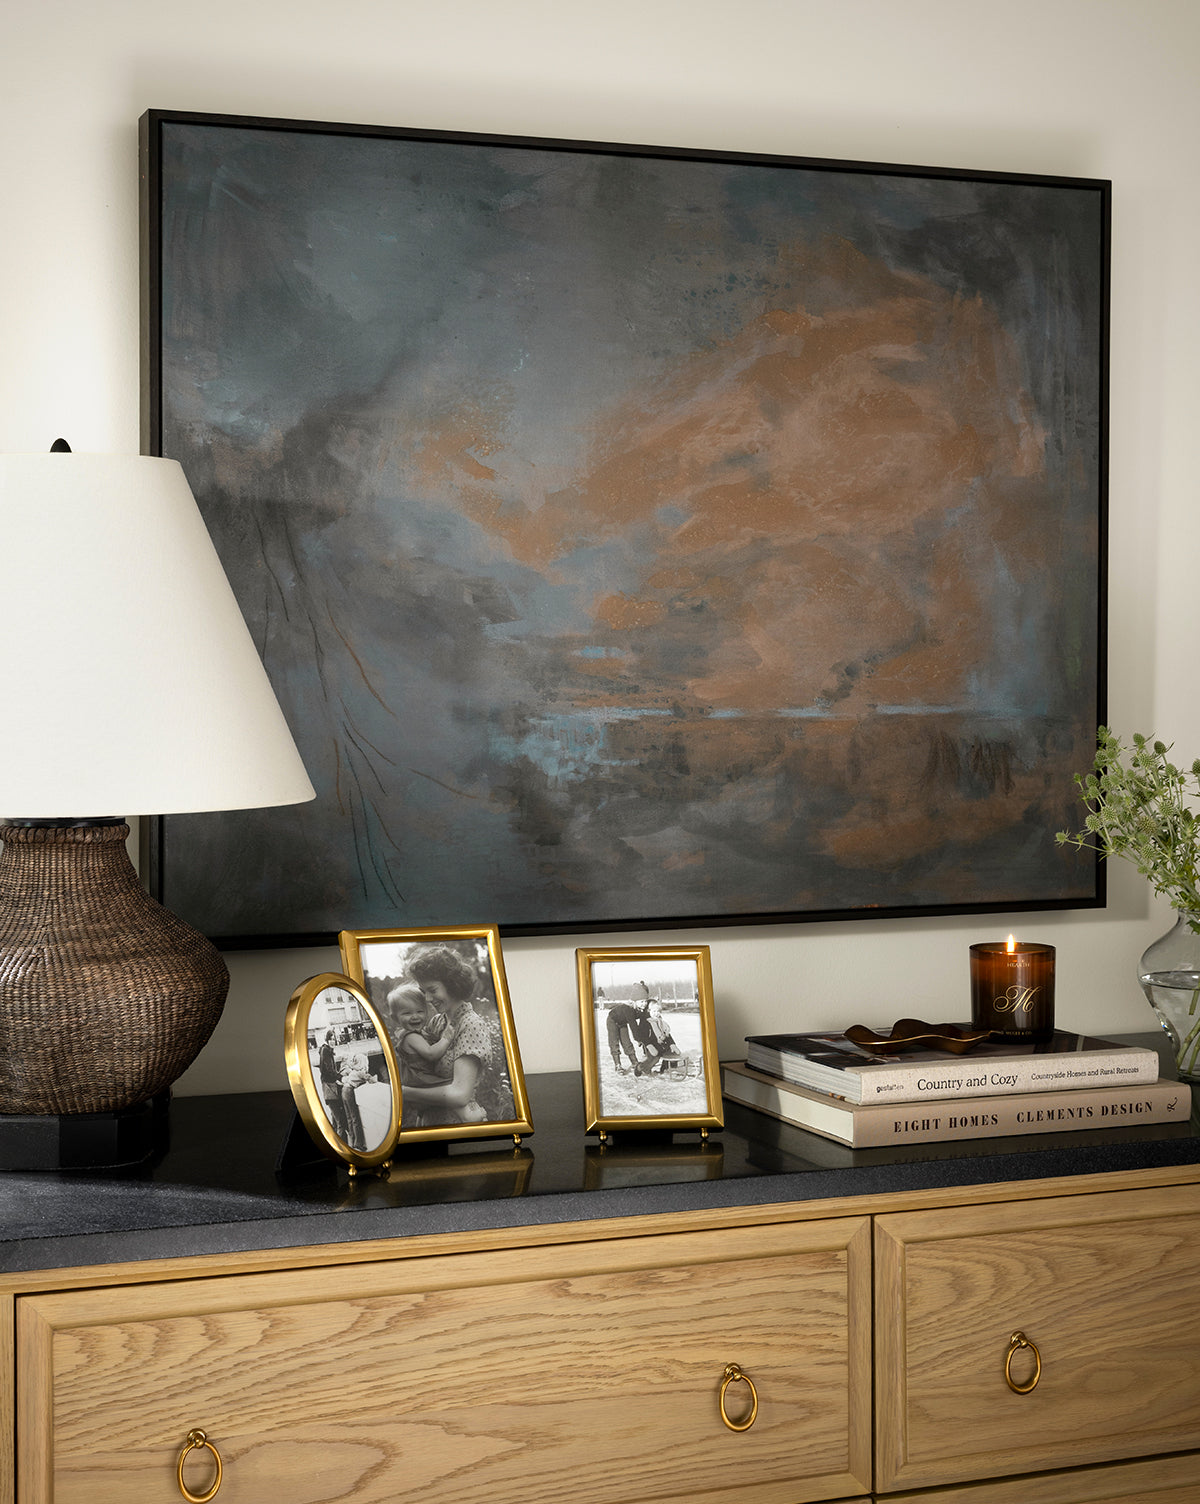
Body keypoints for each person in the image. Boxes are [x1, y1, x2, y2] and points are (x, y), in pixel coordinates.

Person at [397, 946, 510, 1126]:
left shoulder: (471, 1024)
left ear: (452, 984)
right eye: (423, 991)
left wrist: (402, 1092)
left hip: (457, 1125)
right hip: (429, 1122)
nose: (427, 998)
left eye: (432, 990)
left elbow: (459, 1094)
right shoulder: (436, 1022)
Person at [318, 1029, 349, 1139]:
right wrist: (340, 1077)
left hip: (329, 1089)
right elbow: (329, 1069)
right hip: (330, 1090)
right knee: (340, 1122)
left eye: (334, 1039)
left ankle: (333, 1141)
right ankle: (342, 1145)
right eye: (331, 1039)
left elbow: (329, 1070)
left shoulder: (325, 1050)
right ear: (327, 1039)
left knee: (335, 1121)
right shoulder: (326, 1051)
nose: (333, 1041)